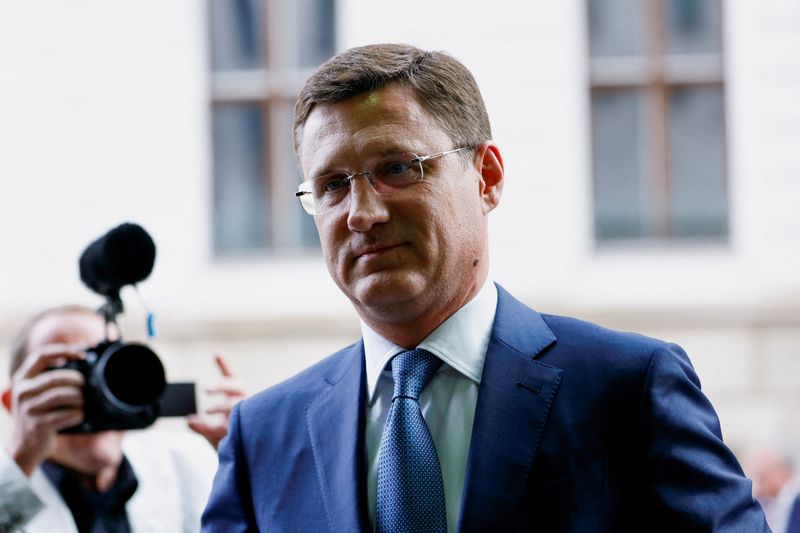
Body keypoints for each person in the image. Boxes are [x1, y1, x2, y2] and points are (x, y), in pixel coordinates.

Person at [201, 43, 769, 532]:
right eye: (331, 185)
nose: (362, 213)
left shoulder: (628, 390)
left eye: (398, 168)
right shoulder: (264, 438)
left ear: (487, 178)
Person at [0, 305, 242, 532]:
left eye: (109, 374)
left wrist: (251, 461)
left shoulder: (188, 463)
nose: (95, 394)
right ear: (13, 403)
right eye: (67, 376)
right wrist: (22, 456)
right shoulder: (11, 480)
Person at [744, 443, 800, 533]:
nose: (758, 484)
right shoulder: (769, 501)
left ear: (782, 470)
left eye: (763, 476)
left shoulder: (794, 500)